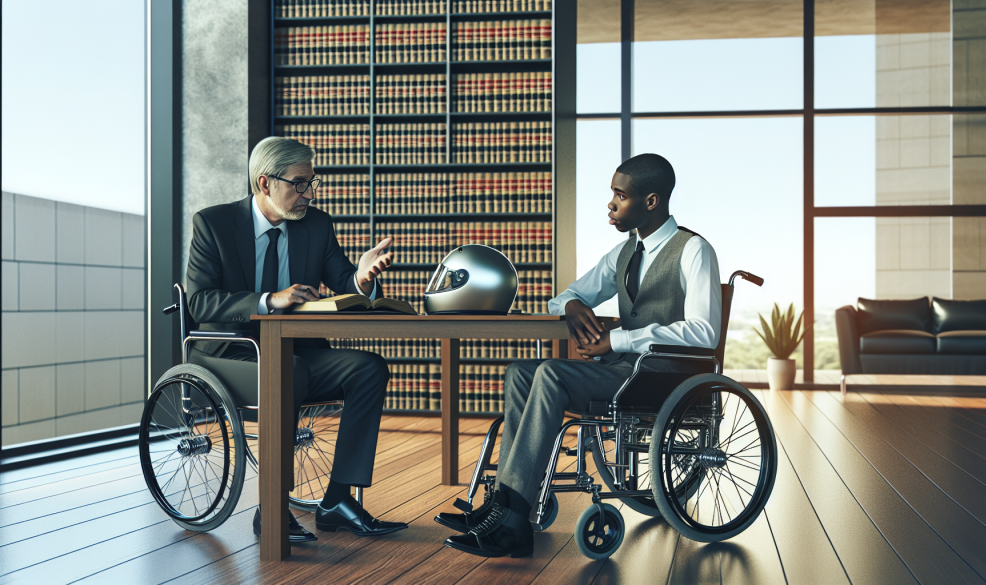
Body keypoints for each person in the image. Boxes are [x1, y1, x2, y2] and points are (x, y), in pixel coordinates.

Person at [435, 153, 722, 558]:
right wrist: (571, 305)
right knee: (520, 371)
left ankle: (514, 521)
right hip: (624, 372)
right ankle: (503, 506)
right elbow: (565, 296)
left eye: (620, 196)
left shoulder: (694, 251)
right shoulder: (624, 253)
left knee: (551, 374)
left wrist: (619, 339)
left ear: (652, 201)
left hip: (666, 378)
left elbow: (704, 332)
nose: (611, 204)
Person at [186, 136, 407, 543]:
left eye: (313, 182)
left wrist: (361, 277)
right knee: (287, 371)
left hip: (295, 351)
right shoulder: (212, 224)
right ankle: (272, 506)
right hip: (229, 357)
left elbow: (343, 283)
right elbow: (200, 301)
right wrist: (269, 300)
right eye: (300, 183)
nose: (310, 193)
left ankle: (338, 500)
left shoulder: (317, 225)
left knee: (369, 368)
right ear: (265, 184)